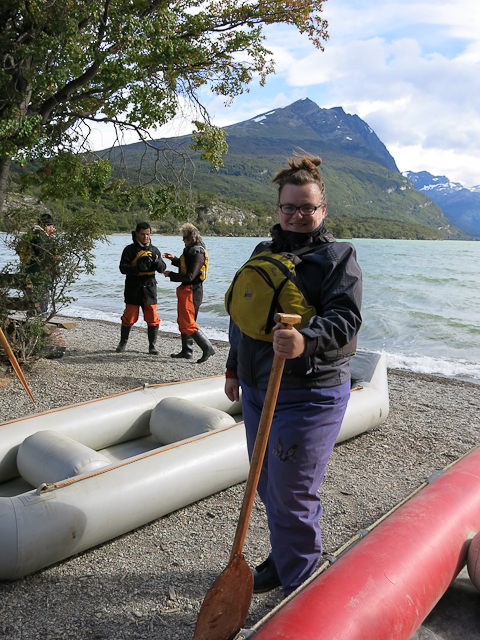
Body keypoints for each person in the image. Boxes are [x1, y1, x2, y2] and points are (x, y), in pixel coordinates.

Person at [224, 153, 363, 596]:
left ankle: (302, 587)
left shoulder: (338, 257)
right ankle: (285, 559)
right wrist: (232, 366)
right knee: (267, 484)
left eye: (308, 208)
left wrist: (306, 338)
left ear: (323, 210)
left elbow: (346, 317)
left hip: (309, 393)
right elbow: (244, 318)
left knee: (293, 492)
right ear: (278, 210)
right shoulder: (262, 252)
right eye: (290, 208)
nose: (298, 216)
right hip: (257, 388)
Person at [162, 223, 215, 363]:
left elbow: (191, 276)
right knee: (182, 320)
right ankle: (187, 351)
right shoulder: (191, 250)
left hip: (193, 291)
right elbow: (187, 266)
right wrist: (173, 259)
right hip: (187, 290)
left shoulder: (198, 253)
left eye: (185, 237)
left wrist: (170, 275)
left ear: (192, 237)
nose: (183, 240)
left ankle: (207, 348)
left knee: (189, 322)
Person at [116, 222, 166, 355]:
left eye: (148, 234)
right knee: (129, 317)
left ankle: (152, 346)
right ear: (136, 234)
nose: (146, 237)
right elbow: (122, 268)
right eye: (143, 234)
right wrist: (137, 268)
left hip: (149, 289)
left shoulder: (154, 250)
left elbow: (163, 268)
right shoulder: (129, 250)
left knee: (152, 318)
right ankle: (123, 343)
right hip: (133, 288)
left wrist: (156, 262)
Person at [20, 212, 57, 316]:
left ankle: (32, 324)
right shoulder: (40, 237)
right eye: (52, 226)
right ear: (46, 226)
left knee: (32, 306)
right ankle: (39, 325)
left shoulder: (31, 235)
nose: (53, 229)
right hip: (40, 278)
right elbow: (44, 255)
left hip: (28, 276)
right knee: (41, 308)